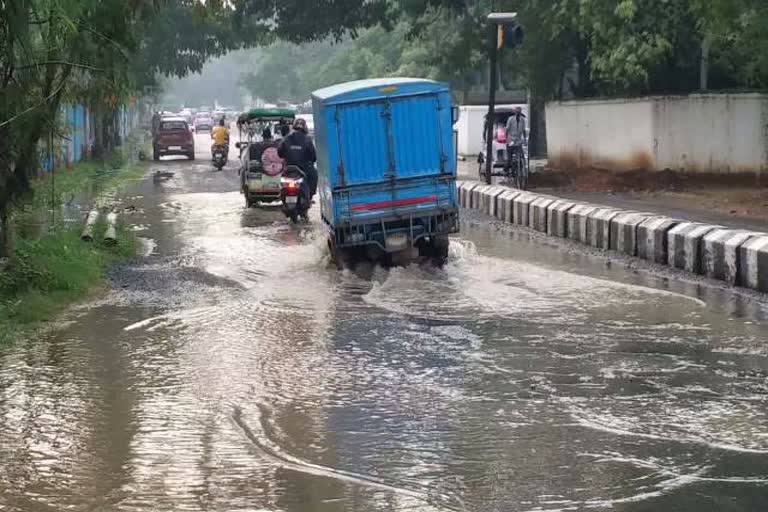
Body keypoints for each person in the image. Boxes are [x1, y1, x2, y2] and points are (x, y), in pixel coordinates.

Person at [278, 118, 317, 198]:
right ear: (304, 127)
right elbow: (313, 157)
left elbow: (280, 153)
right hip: (303, 168)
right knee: (314, 175)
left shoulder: (286, 138)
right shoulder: (307, 140)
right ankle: (310, 196)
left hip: (289, 168)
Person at [505, 106, 527, 172]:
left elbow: (523, 130)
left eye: (519, 112)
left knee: (522, 156)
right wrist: (506, 139)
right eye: (517, 112)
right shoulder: (510, 119)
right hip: (511, 140)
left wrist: (525, 139)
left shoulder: (522, 119)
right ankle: (506, 169)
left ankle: (521, 170)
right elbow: (507, 129)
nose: (518, 113)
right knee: (510, 159)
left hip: (518, 141)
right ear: (515, 112)